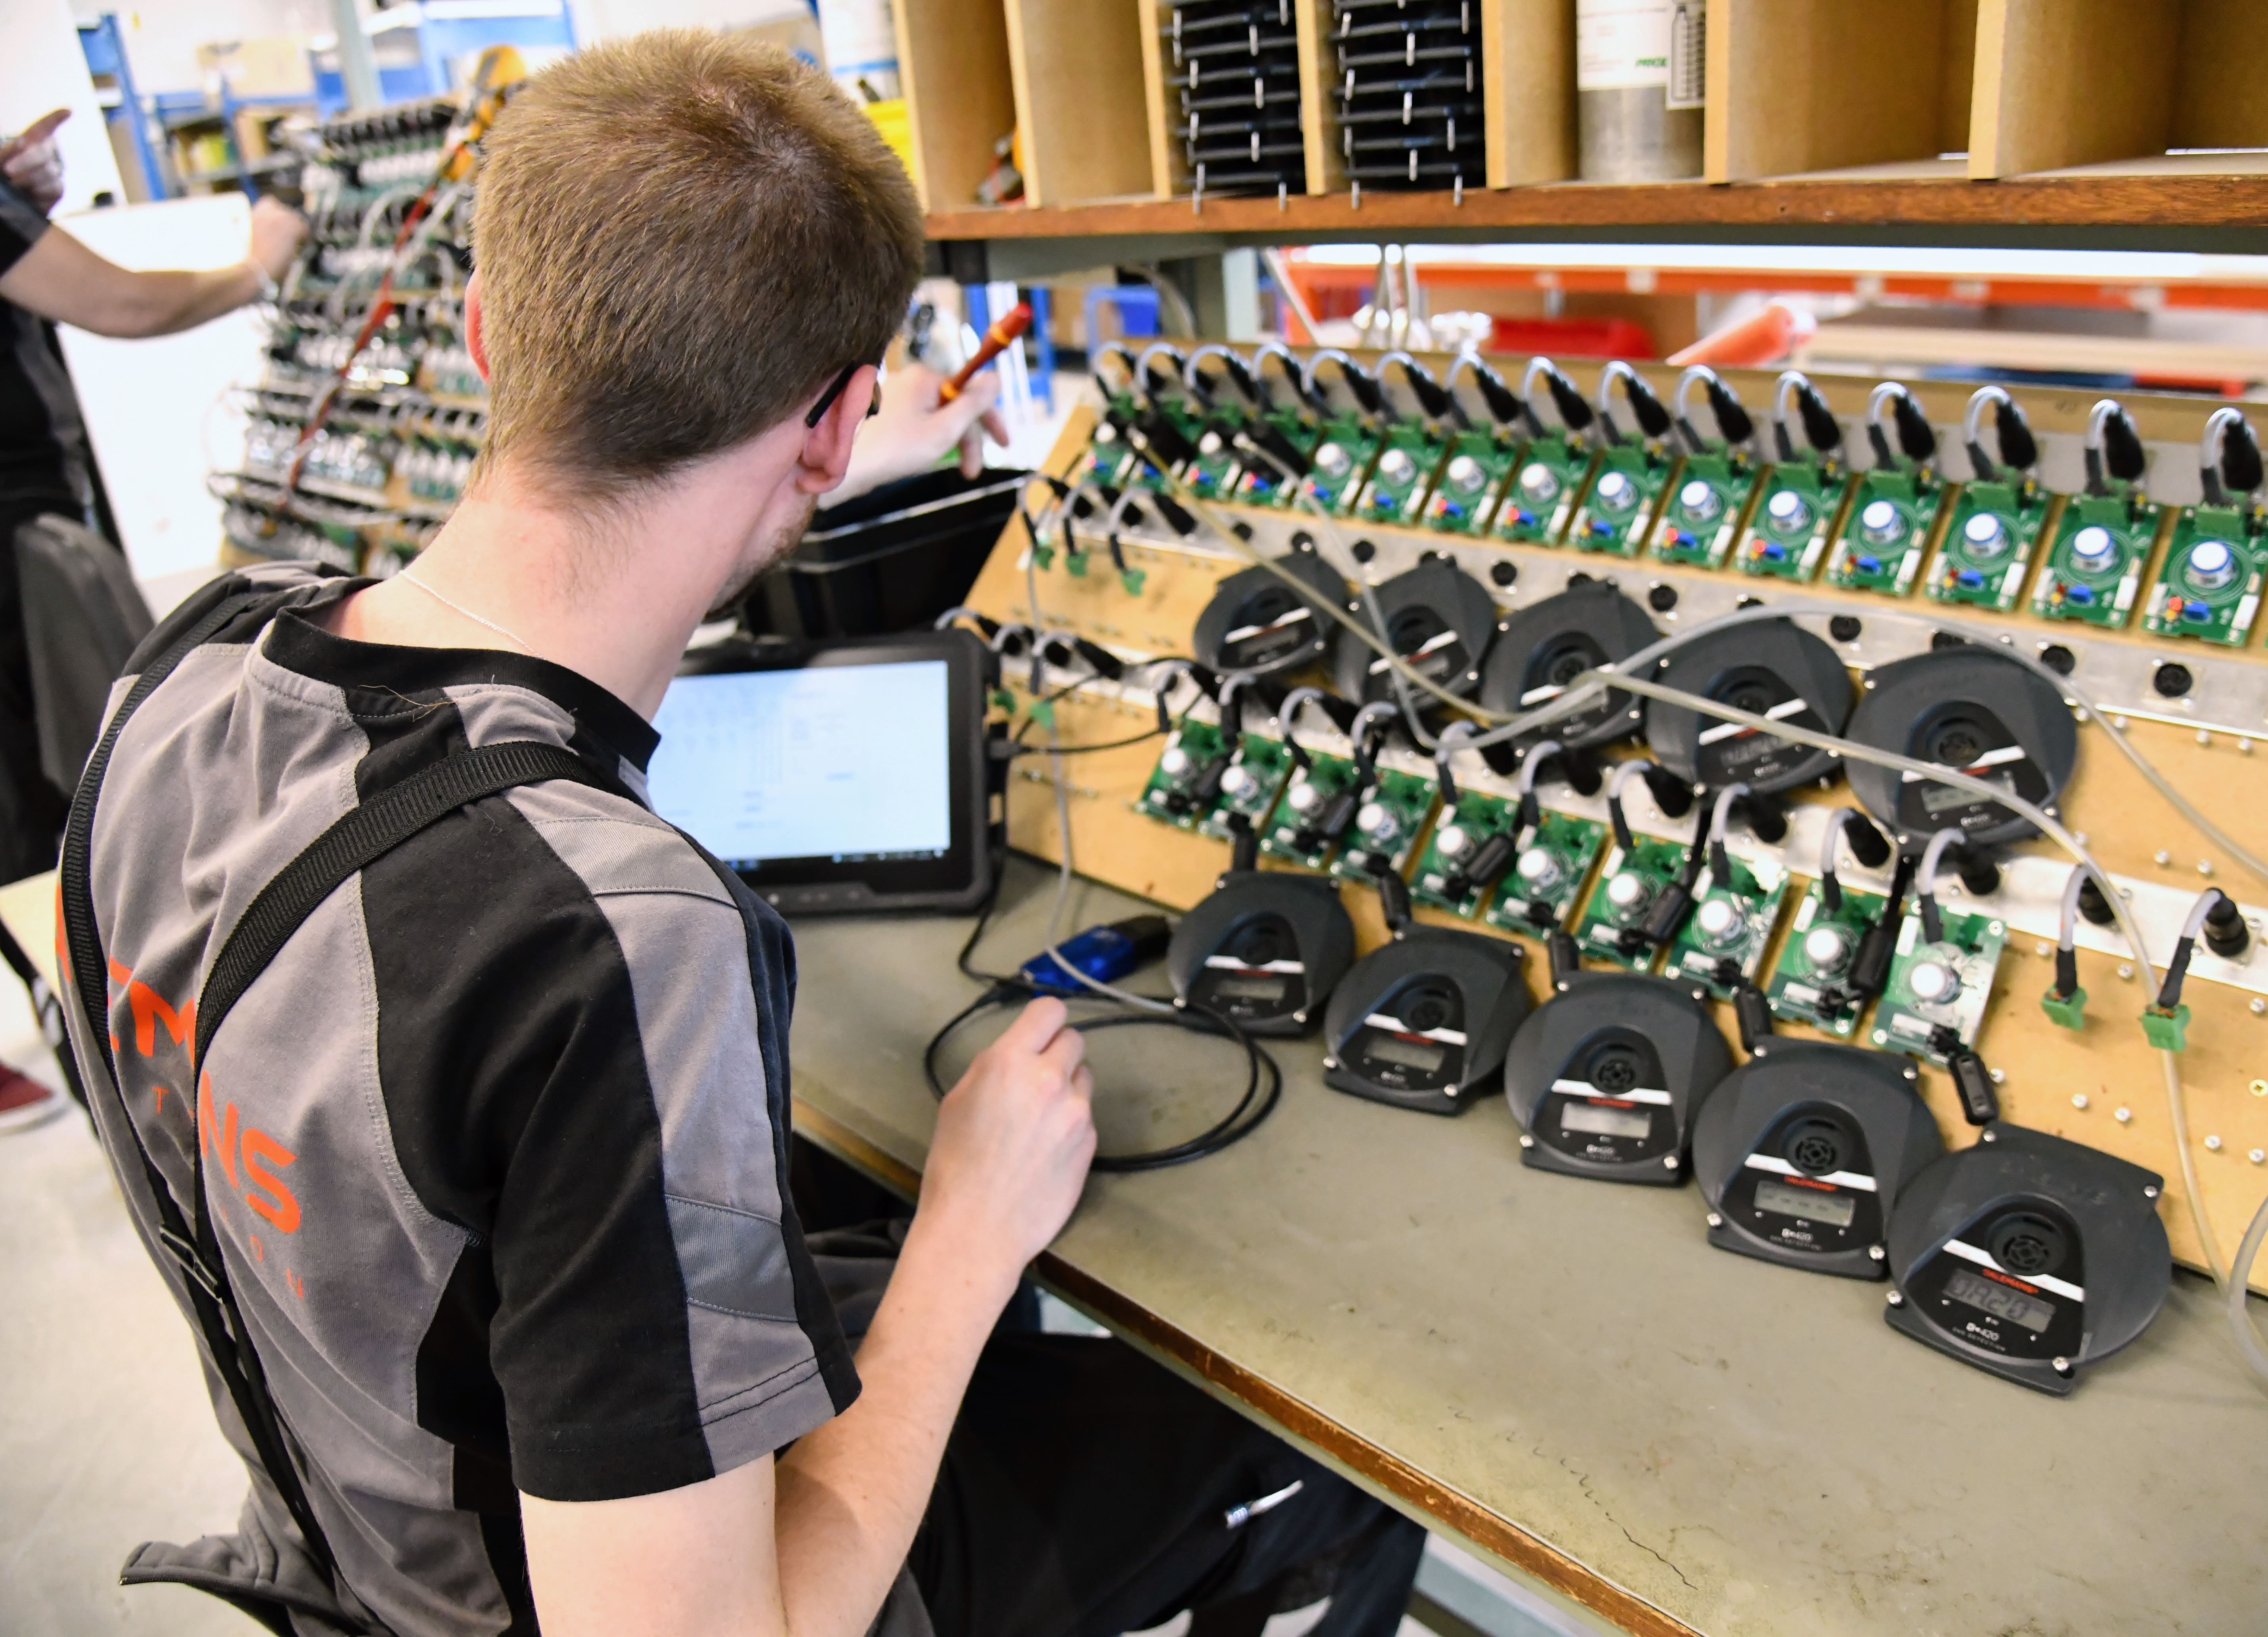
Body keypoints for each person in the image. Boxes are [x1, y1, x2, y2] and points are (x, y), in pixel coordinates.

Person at [62, 31, 1420, 1637]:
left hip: (354, 1522)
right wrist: (972, 1238)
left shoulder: (185, 666)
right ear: (837, 431)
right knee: (1316, 1475)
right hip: (543, 1595)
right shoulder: (613, 937)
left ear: (493, 337)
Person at [0, 111, 310, 1134]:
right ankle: (132, 1066)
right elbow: (122, 304)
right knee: (94, 799)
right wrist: (259, 264)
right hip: (18, 555)